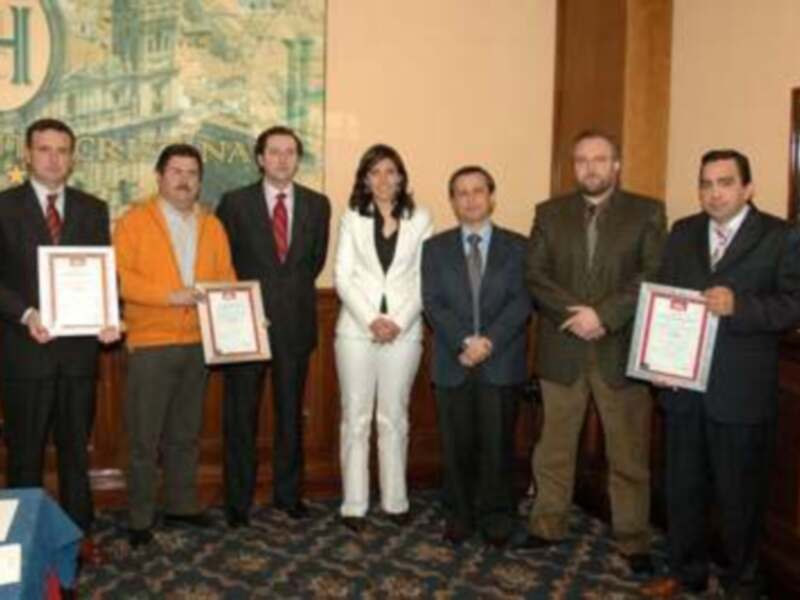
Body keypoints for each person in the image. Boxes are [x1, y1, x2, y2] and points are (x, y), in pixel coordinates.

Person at [640, 150, 800, 599]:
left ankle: (742, 582)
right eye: (706, 183)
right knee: (682, 488)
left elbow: (793, 302)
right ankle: (685, 571)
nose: (714, 192)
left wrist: (741, 307)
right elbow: (667, 295)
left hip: (740, 391)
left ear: (747, 188)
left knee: (739, 497)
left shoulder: (780, 236)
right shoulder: (684, 231)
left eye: (725, 182)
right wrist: (658, 362)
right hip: (683, 388)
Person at [523, 130, 666, 574]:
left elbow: (652, 272)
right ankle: (546, 525)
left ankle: (633, 538)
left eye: (600, 159)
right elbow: (535, 273)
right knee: (554, 448)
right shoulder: (550, 213)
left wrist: (602, 315)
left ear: (616, 165)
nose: (591, 167)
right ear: (574, 166)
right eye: (582, 159)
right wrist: (578, 315)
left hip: (620, 348)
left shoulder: (646, 212)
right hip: (563, 347)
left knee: (628, 454)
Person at [0, 118, 119, 565]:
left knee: (75, 452)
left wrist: (109, 316)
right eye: (45, 149)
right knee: (25, 455)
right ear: (27, 154)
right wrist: (25, 313)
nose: (54, 158)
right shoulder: (4, 206)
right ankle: (20, 551)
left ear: (73, 156)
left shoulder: (93, 208)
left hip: (77, 355)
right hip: (25, 352)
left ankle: (77, 541)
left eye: (63, 150)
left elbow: (103, 273)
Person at [113, 143, 236, 548]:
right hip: (151, 342)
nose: (184, 180)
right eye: (176, 172)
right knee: (144, 438)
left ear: (200, 181)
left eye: (192, 173)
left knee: (186, 433)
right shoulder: (133, 221)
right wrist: (171, 295)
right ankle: (140, 517)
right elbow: (121, 279)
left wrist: (245, 317)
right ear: (160, 176)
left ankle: (181, 505)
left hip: (199, 342)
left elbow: (226, 280)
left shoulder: (212, 226)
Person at [216, 126, 331, 527]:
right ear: (260, 158)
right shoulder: (234, 203)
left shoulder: (318, 205)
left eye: (290, 152)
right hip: (244, 325)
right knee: (240, 416)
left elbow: (312, 263)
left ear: (297, 159)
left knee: (289, 415)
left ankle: (288, 495)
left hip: (295, 324)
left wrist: (284, 298)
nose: (283, 159)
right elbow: (224, 263)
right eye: (274, 152)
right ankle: (238, 501)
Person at [421, 165, 530, 547]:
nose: (470, 199)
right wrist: (464, 342)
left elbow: (521, 301)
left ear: (492, 196)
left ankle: (498, 516)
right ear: (452, 202)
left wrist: (488, 343)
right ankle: (459, 515)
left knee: (498, 445)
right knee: (457, 446)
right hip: (454, 362)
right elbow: (432, 302)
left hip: (501, 362)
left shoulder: (519, 246)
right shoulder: (434, 248)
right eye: (461, 193)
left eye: (477, 191)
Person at [333, 144, 433, 531]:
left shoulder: (422, 218)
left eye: (390, 171)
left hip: (404, 333)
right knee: (355, 418)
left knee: (394, 417)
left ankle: (395, 501)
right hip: (356, 332)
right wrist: (372, 320)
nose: (383, 179)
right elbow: (342, 277)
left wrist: (399, 321)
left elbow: (427, 277)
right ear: (364, 178)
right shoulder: (353, 217)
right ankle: (354, 504)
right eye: (374, 172)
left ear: (402, 177)